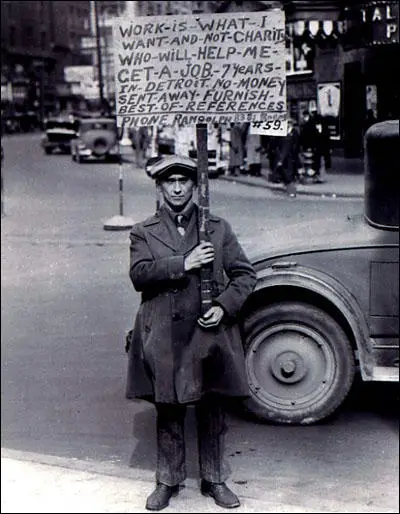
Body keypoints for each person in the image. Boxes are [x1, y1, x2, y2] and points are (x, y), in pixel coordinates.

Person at [126, 154, 257, 511]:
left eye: (185, 181)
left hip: (207, 330)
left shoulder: (216, 228)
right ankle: (167, 480)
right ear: (159, 187)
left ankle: (214, 478)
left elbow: (245, 275)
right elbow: (139, 274)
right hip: (165, 331)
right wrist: (183, 264)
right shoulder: (144, 230)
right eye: (171, 182)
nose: (178, 188)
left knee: (212, 406)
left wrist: (224, 306)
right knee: (168, 406)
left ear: (195, 186)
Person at [275, 118, 302, 197]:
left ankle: (292, 191)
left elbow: (296, 145)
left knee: (290, 174)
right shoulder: (284, 133)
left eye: (289, 123)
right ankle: (290, 189)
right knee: (287, 174)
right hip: (285, 157)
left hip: (291, 157)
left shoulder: (294, 133)